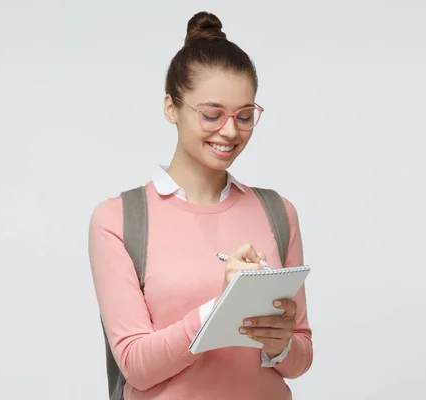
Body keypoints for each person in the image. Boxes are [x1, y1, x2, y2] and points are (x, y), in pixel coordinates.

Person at [88, 11, 313, 400]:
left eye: (245, 116)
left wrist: (281, 344)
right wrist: (221, 308)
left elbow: (300, 358)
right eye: (212, 114)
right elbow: (137, 367)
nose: (230, 131)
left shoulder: (278, 213)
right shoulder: (120, 220)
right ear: (171, 108)